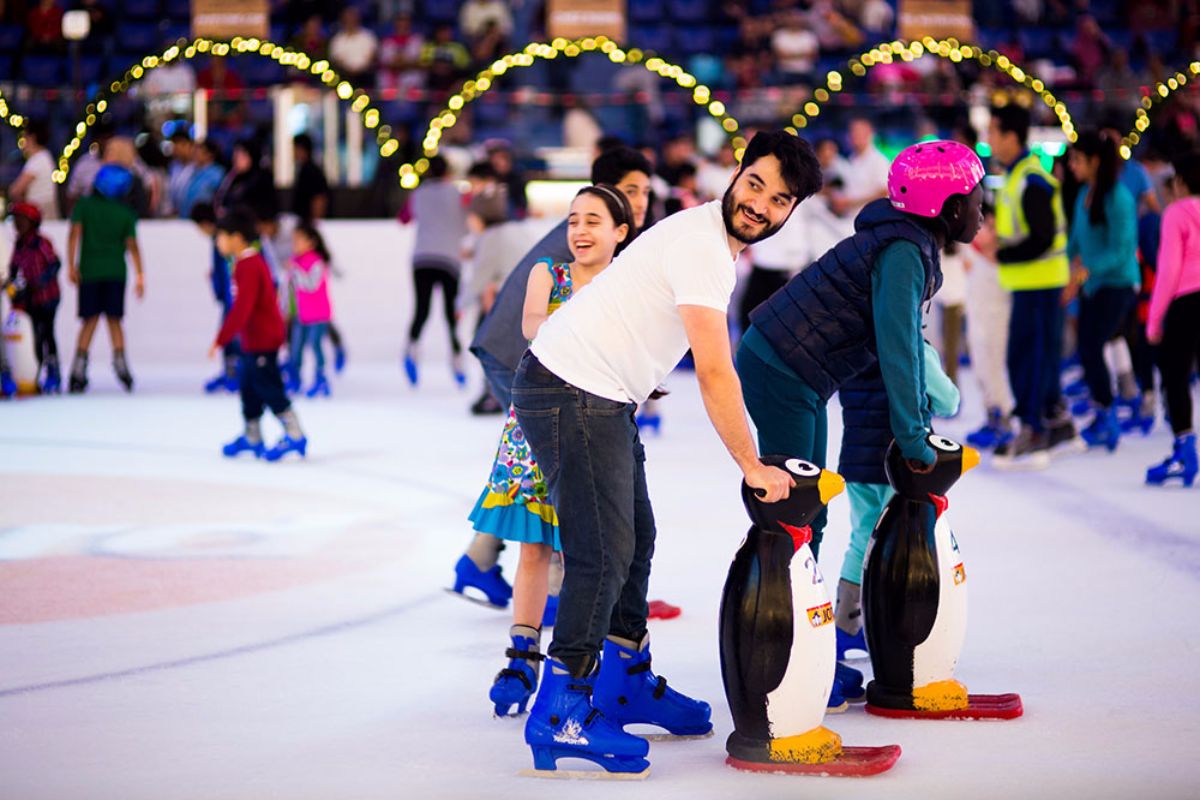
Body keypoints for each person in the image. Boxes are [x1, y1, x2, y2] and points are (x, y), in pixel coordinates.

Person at [513, 131, 823, 776]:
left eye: (779, 198)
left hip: (599, 391)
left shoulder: (710, 242)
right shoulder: (703, 246)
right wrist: (751, 463)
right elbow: (714, 370)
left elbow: (637, 303)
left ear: (792, 212)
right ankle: (561, 710)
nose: (761, 203)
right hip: (573, 389)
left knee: (636, 538)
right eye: (755, 183)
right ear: (736, 174)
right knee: (601, 552)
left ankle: (621, 680)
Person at [737, 139, 982, 705]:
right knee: (793, 514)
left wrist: (913, 424)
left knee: (810, 512)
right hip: (782, 368)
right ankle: (785, 660)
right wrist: (913, 436)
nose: (981, 211)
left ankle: (806, 647)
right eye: (975, 198)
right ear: (945, 207)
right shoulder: (900, 252)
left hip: (799, 373)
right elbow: (898, 349)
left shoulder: (907, 245)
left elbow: (903, 350)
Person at [450, 146, 654, 617]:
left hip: (518, 353)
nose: (639, 201)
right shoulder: (585, 246)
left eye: (644, 191)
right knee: (555, 468)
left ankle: (480, 560)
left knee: (542, 471)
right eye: (628, 191)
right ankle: (558, 590)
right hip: (518, 356)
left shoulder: (609, 249)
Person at [482, 186, 635, 718]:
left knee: (593, 552)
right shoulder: (549, 273)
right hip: (537, 428)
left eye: (594, 221)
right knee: (533, 549)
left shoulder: (628, 284)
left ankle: (587, 663)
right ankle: (522, 654)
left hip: (598, 429)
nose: (580, 231)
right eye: (573, 221)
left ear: (621, 231)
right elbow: (531, 326)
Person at [989, 104, 1082, 469]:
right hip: (1030, 284)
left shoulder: (1031, 179)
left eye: (994, 132)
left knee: (1029, 359)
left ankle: (1036, 429)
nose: (990, 140)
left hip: (1040, 284)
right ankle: (1052, 424)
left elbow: (1043, 237)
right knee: (1029, 358)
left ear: (1012, 137)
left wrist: (1004, 255)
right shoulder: (1016, 175)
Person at [210, 209, 308, 463]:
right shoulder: (242, 263)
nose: (217, 242)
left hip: (263, 339)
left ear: (237, 237)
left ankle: (294, 433)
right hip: (253, 340)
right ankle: (252, 435)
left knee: (268, 385)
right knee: (248, 386)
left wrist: (222, 338)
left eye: (220, 236)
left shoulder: (250, 265)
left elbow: (243, 307)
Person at [1064, 131, 1140, 452]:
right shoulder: (1086, 193)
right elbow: (1076, 240)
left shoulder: (1119, 197)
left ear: (1095, 161)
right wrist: (1070, 268)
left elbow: (1123, 250)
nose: (1071, 166)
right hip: (1093, 284)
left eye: (1077, 160)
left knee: (1093, 344)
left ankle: (1110, 412)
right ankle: (1105, 408)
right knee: (1088, 346)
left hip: (1118, 284)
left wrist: (1085, 270)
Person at [1145, 150, 1200, 487]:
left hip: (1187, 301)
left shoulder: (1177, 212)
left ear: (1179, 181)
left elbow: (1169, 270)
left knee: (1175, 375)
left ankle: (1185, 449)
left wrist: (1154, 321)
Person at [66, 164, 144, 394]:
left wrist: (71, 265)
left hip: (89, 271)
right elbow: (133, 246)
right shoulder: (125, 213)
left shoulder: (85, 206)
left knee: (88, 321)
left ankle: (78, 369)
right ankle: (122, 367)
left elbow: (74, 234)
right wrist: (140, 274)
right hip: (115, 272)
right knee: (114, 320)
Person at [403, 156, 468, 390]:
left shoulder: (419, 193)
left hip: (422, 258)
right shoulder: (459, 195)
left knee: (422, 309)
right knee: (451, 313)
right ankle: (457, 360)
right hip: (449, 259)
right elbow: (470, 222)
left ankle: (411, 347)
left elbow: (404, 218)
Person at [963, 207, 1017, 449]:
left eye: (990, 226)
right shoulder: (972, 255)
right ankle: (991, 414)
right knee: (980, 364)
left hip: (997, 316)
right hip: (977, 317)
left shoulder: (1003, 259)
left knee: (994, 363)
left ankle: (1003, 416)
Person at [3, 203, 61, 394]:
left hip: (47, 298)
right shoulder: (19, 245)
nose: (18, 224)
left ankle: (53, 372)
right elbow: (13, 268)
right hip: (30, 300)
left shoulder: (41, 242)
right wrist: (10, 284)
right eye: (16, 220)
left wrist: (41, 280)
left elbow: (54, 263)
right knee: (35, 337)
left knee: (47, 334)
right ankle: (34, 373)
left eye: (22, 220)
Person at [190, 202, 240, 394]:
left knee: (235, 335)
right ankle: (230, 372)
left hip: (232, 299)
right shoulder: (217, 239)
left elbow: (230, 271)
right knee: (228, 335)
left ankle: (236, 374)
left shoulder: (224, 238)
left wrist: (230, 296)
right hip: (227, 298)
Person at [287, 222, 335, 398]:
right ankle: (295, 378)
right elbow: (290, 290)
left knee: (315, 345)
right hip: (301, 314)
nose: (295, 244)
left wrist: (296, 271)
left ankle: (321, 378)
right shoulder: (294, 261)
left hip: (318, 314)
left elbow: (310, 284)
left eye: (299, 240)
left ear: (311, 242)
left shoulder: (316, 262)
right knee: (296, 347)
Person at [831, 116, 890, 219]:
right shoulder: (852, 159)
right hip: (848, 218)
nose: (854, 135)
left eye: (858, 132)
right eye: (852, 132)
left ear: (869, 133)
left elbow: (884, 193)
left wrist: (850, 203)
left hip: (869, 221)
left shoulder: (879, 160)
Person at [9, 120, 59, 221]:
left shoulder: (37, 160)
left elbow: (15, 191)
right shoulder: (46, 156)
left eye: (24, 137)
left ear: (32, 138)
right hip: (46, 210)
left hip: (39, 213)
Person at [327, 7, 377, 87]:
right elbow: (337, 59)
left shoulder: (368, 36)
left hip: (365, 75)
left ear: (358, 19)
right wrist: (350, 70)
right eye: (348, 19)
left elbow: (372, 56)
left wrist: (360, 70)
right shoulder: (337, 40)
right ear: (343, 20)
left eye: (353, 18)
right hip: (344, 76)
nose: (350, 21)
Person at [181, 141, 226, 220]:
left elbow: (219, 199)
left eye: (199, 150)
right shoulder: (192, 171)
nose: (195, 154)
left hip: (205, 220)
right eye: (195, 150)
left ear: (209, 154)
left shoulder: (217, 173)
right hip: (187, 218)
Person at [291, 134, 331, 221]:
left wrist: (315, 222)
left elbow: (319, 198)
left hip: (309, 223)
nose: (292, 152)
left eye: (294, 148)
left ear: (301, 149)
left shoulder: (311, 171)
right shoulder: (303, 170)